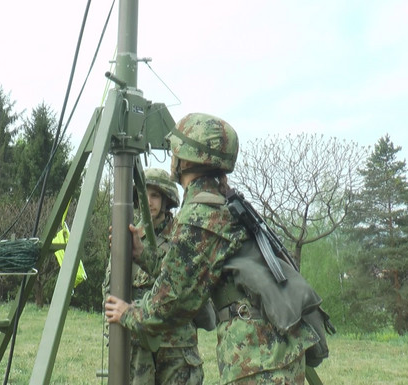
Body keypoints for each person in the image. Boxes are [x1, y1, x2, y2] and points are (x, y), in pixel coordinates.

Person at [106, 113, 319, 384]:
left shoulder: (201, 213)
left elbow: (174, 300)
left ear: (185, 158)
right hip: (268, 353)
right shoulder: (219, 201)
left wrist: (129, 313)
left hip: (259, 357)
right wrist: (143, 254)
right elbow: (193, 272)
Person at [102, 167, 205, 385]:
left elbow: (185, 286)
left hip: (176, 346)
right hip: (138, 342)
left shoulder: (183, 235)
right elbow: (110, 288)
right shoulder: (128, 236)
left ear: (167, 200)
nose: (149, 202)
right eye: (144, 195)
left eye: (155, 195)